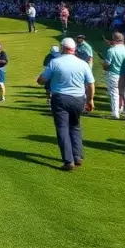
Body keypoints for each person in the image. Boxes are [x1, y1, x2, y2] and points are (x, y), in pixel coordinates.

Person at [37, 38, 95, 171]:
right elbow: (90, 84)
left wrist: (47, 78)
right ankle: (78, 155)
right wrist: (90, 100)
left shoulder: (55, 62)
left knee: (62, 129)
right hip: (78, 99)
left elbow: (41, 80)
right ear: (74, 49)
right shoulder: (83, 64)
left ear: (62, 48)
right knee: (75, 126)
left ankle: (69, 161)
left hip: (60, 98)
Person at [101, 32, 125, 119]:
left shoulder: (111, 51)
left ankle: (115, 113)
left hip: (114, 75)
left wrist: (103, 65)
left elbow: (107, 64)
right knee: (124, 94)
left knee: (114, 94)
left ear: (114, 40)